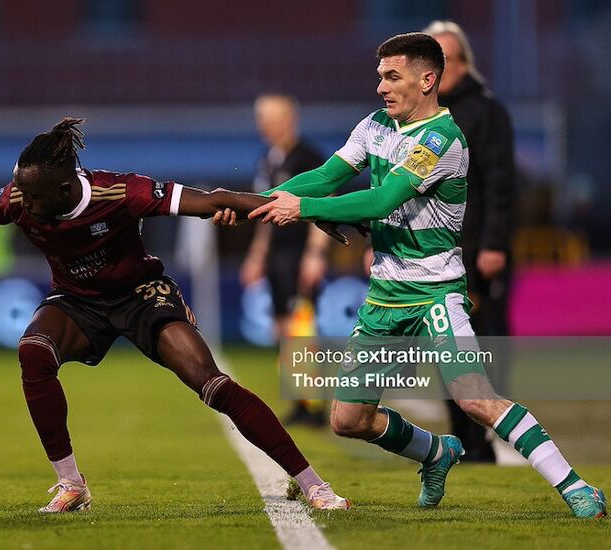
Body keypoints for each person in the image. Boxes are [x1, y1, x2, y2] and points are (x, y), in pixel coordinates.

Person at [229, 33, 605, 518]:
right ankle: (436, 451)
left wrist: (301, 208)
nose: (381, 87)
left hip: (434, 294)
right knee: (348, 419)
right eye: (380, 76)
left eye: (392, 76)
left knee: (474, 399)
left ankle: (576, 487)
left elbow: (382, 200)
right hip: (385, 295)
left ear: (428, 80)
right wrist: (250, 203)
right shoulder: (375, 126)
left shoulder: (441, 140)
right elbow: (325, 176)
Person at [0, 118, 352, 513]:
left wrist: (310, 211)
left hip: (140, 295)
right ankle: (71, 484)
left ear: (63, 189)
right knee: (33, 352)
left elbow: (214, 201)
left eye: (36, 197)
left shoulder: (120, 192)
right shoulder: (21, 194)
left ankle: (313, 483)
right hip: (77, 301)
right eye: (22, 191)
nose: (25, 203)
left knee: (213, 384)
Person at [424, 20, 515, 463]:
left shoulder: (485, 111)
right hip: (435, 254)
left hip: (479, 250)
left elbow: (501, 182)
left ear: (462, 63)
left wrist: (495, 243)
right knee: (444, 348)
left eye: (443, 61)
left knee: (485, 343)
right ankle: (463, 436)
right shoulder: (424, 117)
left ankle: (484, 438)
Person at [242, 93, 330, 426]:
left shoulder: (308, 156)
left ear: (289, 119)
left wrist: (315, 253)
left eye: (271, 118)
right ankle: (298, 399)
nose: (265, 125)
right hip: (277, 253)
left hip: (299, 251)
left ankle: (313, 406)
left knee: (301, 328)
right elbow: (264, 212)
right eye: (261, 119)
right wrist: (257, 256)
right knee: (283, 327)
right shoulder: (268, 159)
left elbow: (325, 203)